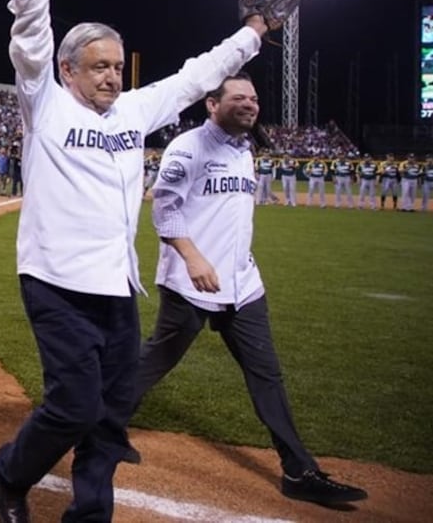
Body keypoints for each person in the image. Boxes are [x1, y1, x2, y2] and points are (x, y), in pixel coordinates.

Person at [0, 0, 269, 523]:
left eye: (117, 66)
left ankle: (90, 516)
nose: (113, 76)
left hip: (117, 287)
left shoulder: (134, 112)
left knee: (111, 415)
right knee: (74, 407)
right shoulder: (45, 103)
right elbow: (30, 32)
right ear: (67, 70)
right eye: (99, 66)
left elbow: (199, 75)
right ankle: (10, 474)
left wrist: (254, 30)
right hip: (56, 282)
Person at [118, 75, 367, 506]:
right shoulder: (188, 147)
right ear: (212, 104)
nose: (250, 105)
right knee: (157, 359)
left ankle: (299, 470)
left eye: (253, 98)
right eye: (239, 98)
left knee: (266, 374)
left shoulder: (244, 150)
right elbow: (165, 208)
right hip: (191, 283)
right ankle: (103, 426)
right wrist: (193, 258)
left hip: (242, 284)